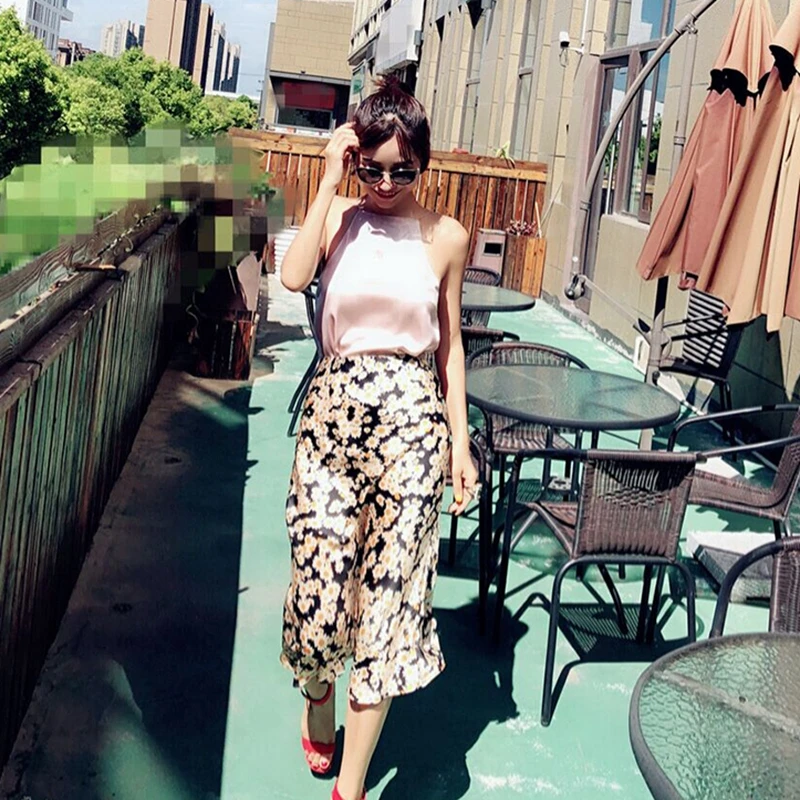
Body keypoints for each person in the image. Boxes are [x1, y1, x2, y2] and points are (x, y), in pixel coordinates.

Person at [279, 76, 479, 800]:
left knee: (390, 606)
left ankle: (352, 788)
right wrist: (330, 182)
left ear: (423, 165)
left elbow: (451, 349)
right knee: (318, 598)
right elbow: (292, 276)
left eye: (404, 170)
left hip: (414, 427)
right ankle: (317, 694)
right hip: (332, 422)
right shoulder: (338, 217)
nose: (387, 184)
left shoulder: (446, 237)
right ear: (356, 159)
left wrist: (459, 444)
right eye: (374, 168)